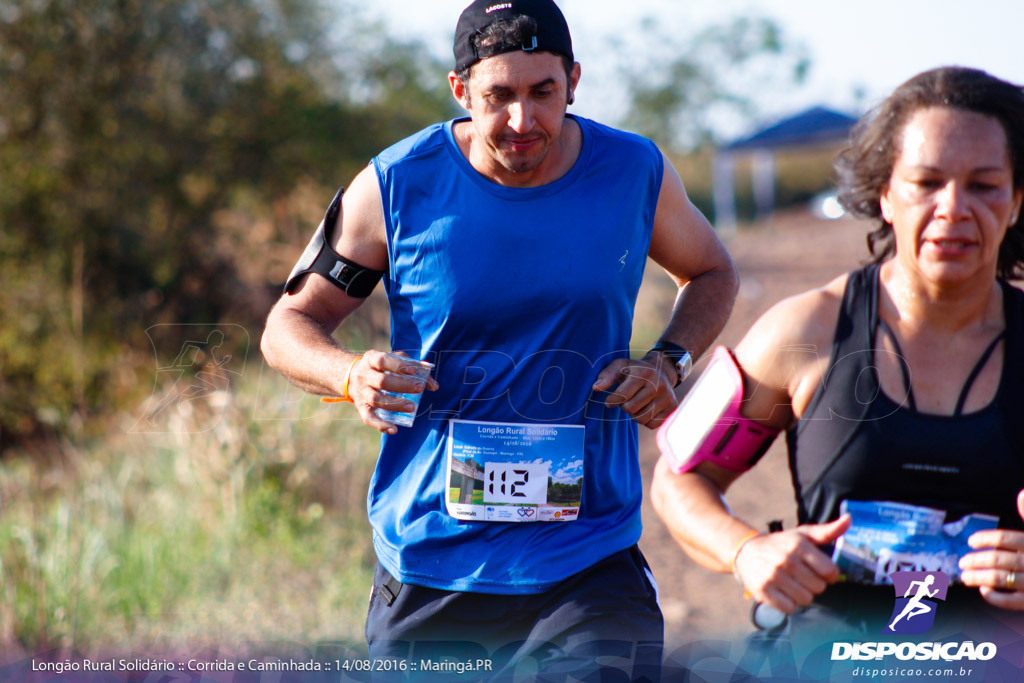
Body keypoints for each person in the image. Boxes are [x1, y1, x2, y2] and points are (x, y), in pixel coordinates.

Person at [260, 0, 738, 677]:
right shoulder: (397, 184)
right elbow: (287, 326)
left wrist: (668, 360)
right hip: (434, 561)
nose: (522, 120)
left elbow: (713, 270)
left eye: (543, 92)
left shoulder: (634, 172)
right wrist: (348, 374)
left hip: (588, 556)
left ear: (574, 80)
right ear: (460, 90)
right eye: (498, 96)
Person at [651, 66, 1024, 645]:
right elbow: (681, 479)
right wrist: (747, 551)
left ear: (1017, 200)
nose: (952, 207)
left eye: (983, 184)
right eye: (926, 182)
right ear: (886, 195)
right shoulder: (805, 331)